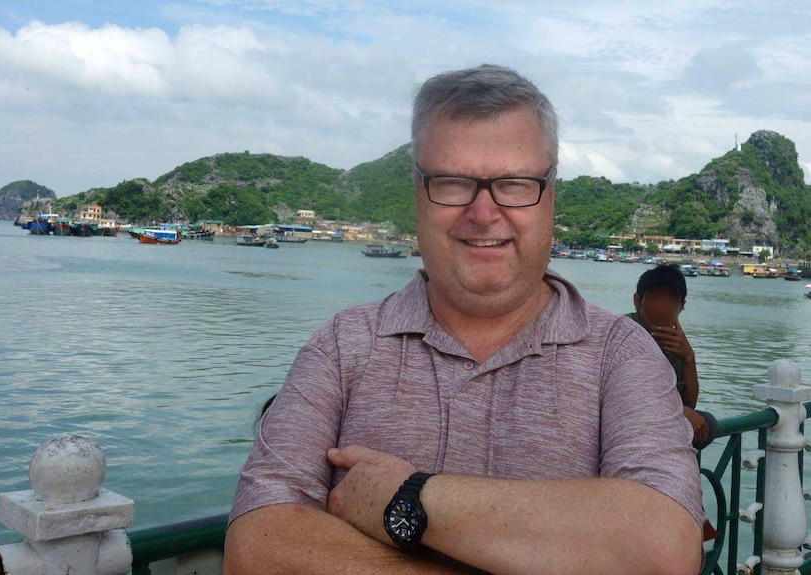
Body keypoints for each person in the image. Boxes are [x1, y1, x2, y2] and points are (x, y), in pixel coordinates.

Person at [224, 64, 704, 575]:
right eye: (452, 183)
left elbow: (665, 548)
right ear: (417, 195)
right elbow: (257, 547)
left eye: (515, 184)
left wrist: (407, 499)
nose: (483, 212)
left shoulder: (621, 353)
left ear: (549, 197)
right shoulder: (343, 346)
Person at [627, 263, 714, 448]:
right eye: (656, 299)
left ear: (681, 306)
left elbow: (690, 402)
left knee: (708, 424)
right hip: (626, 421)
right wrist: (678, 411)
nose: (663, 308)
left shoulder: (672, 340)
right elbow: (625, 397)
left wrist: (688, 358)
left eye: (671, 301)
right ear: (637, 301)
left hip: (660, 422)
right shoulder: (624, 333)